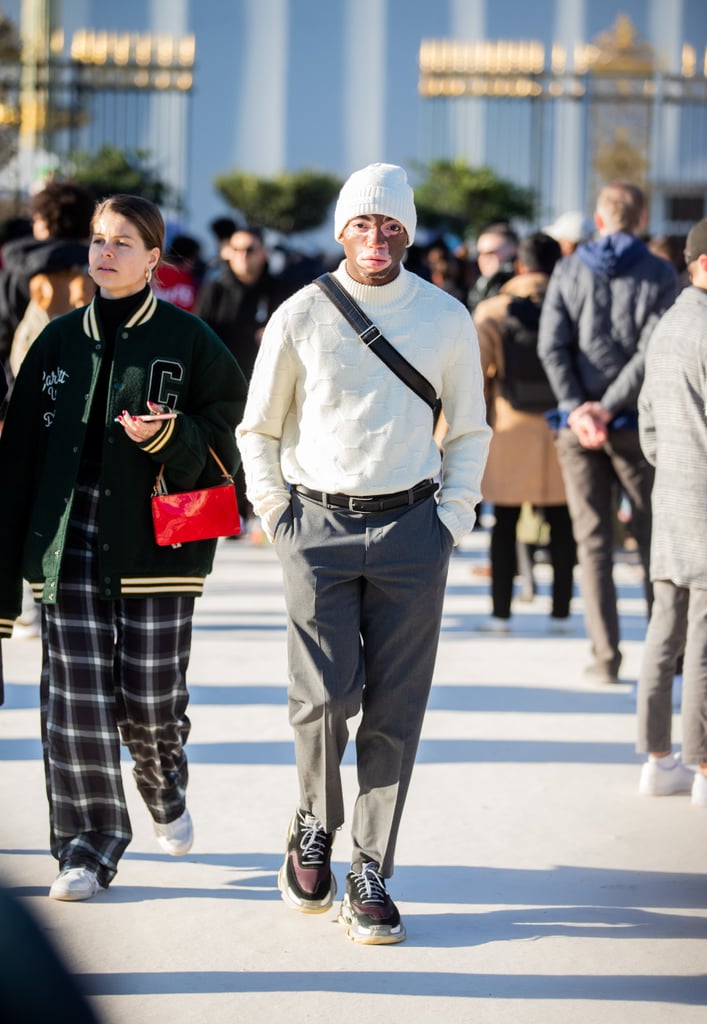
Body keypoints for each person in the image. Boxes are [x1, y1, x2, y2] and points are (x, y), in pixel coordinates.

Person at [237, 162, 491, 944]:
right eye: (360, 224)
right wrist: (277, 514)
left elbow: (471, 429)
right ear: (340, 231)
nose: (375, 239)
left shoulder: (446, 316)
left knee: (395, 708)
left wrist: (450, 518)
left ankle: (370, 867)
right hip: (314, 527)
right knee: (320, 699)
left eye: (389, 226)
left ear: (407, 232)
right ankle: (315, 822)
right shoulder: (302, 314)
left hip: (413, 530)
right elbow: (260, 428)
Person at [0, 194, 247, 901]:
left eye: (123, 243)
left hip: (161, 545)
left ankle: (163, 783)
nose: (104, 253)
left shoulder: (192, 339)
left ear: (152, 260)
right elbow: (18, 458)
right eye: (99, 240)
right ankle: (85, 847)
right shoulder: (54, 340)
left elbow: (231, 432)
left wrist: (172, 437)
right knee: (73, 701)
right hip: (68, 541)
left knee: (149, 702)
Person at [538, 181, 678, 685]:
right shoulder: (662, 273)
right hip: (637, 424)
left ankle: (605, 656)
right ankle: (665, 655)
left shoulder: (569, 268)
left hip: (577, 428)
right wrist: (610, 404)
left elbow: (552, 345)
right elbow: (652, 350)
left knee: (593, 542)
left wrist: (579, 407)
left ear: (599, 220)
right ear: (640, 220)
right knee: (650, 539)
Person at [635, 217, 707, 806]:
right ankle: (705, 766)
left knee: (665, 633)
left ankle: (659, 759)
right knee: (704, 643)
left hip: (672, 499)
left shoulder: (668, 325)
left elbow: (648, 427)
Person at [474, 231, 575, 633]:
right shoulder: (573, 305)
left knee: (505, 524)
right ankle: (562, 613)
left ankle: (501, 614)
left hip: (509, 426)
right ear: (557, 264)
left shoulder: (491, 311)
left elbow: (475, 378)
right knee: (564, 522)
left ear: (518, 265)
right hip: (561, 425)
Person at [196, 225, 298, 530]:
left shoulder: (281, 289)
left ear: (263, 253)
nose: (243, 256)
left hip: (270, 384)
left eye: (250, 249)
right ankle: (228, 515)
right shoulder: (215, 288)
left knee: (269, 448)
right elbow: (201, 335)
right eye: (236, 249)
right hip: (225, 384)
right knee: (225, 450)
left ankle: (263, 514)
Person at [466, 222, 518, 315]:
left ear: (514, 250)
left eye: (491, 253)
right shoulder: (480, 284)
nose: (483, 259)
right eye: (480, 253)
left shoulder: (521, 288)